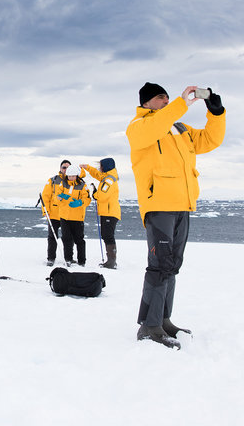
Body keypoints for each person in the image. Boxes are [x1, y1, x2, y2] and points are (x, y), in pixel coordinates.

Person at [127, 82, 225, 349]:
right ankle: (149, 327)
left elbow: (210, 141)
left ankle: (163, 320)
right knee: (159, 265)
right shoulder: (139, 127)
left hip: (182, 205)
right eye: (161, 98)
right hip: (159, 205)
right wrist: (181, 103)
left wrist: (216, 114)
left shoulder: (180, 129)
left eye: (168, 98)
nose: (166, 101)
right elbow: (157, 124)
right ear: (146, 102)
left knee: (171, 265)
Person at [80, 158, 121, 269]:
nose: (100, 168)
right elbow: (97, 175)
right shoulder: (107, 177)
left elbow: (102, 196)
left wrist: (95, 195)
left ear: (106, 167)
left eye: (101, 166)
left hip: (109, 213)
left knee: (108, 236)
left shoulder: (109, 180)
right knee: (107, 235)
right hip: (108, 212)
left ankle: (111, 262)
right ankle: (111, 261)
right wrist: (87, 168)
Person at [56, 165, 91, 266]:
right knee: (66, 239)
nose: (71, 178)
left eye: (73, 176)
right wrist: (61, 197)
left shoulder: (83, 186)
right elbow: (57, 196)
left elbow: (88, 199)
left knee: (79, 240)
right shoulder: (63, 184)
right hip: (64, 216)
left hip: (77, 217)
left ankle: (82, 260)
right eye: (69, 176)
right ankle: (68, 259)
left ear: (77, 175)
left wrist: (80, 202)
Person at [41, 159, 70, 266]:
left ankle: (68, 258)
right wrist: (46, 211)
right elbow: (45, 196)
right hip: (53, 214)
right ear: (60, 168)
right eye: (64, 167)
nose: (65, 169)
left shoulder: (73, 180)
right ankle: (51, 258)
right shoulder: (52, 180)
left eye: (68, 167)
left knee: (67, 238)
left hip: (67, 215)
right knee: (52, 237)